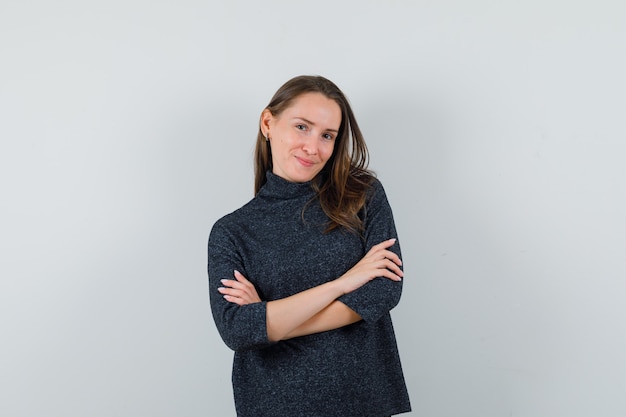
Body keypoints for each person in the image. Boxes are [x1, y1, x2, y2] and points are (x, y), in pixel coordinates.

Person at [207, 75, 411, 417]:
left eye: (327, 135)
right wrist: (341, 284)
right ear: (268, 123)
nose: (313, 147)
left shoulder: (362, 195)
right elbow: (238, 330)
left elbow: (383, 291)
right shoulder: (232, 231)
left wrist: (272, 320)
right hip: (274, 403)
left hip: (363, 400)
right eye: (302, 127)